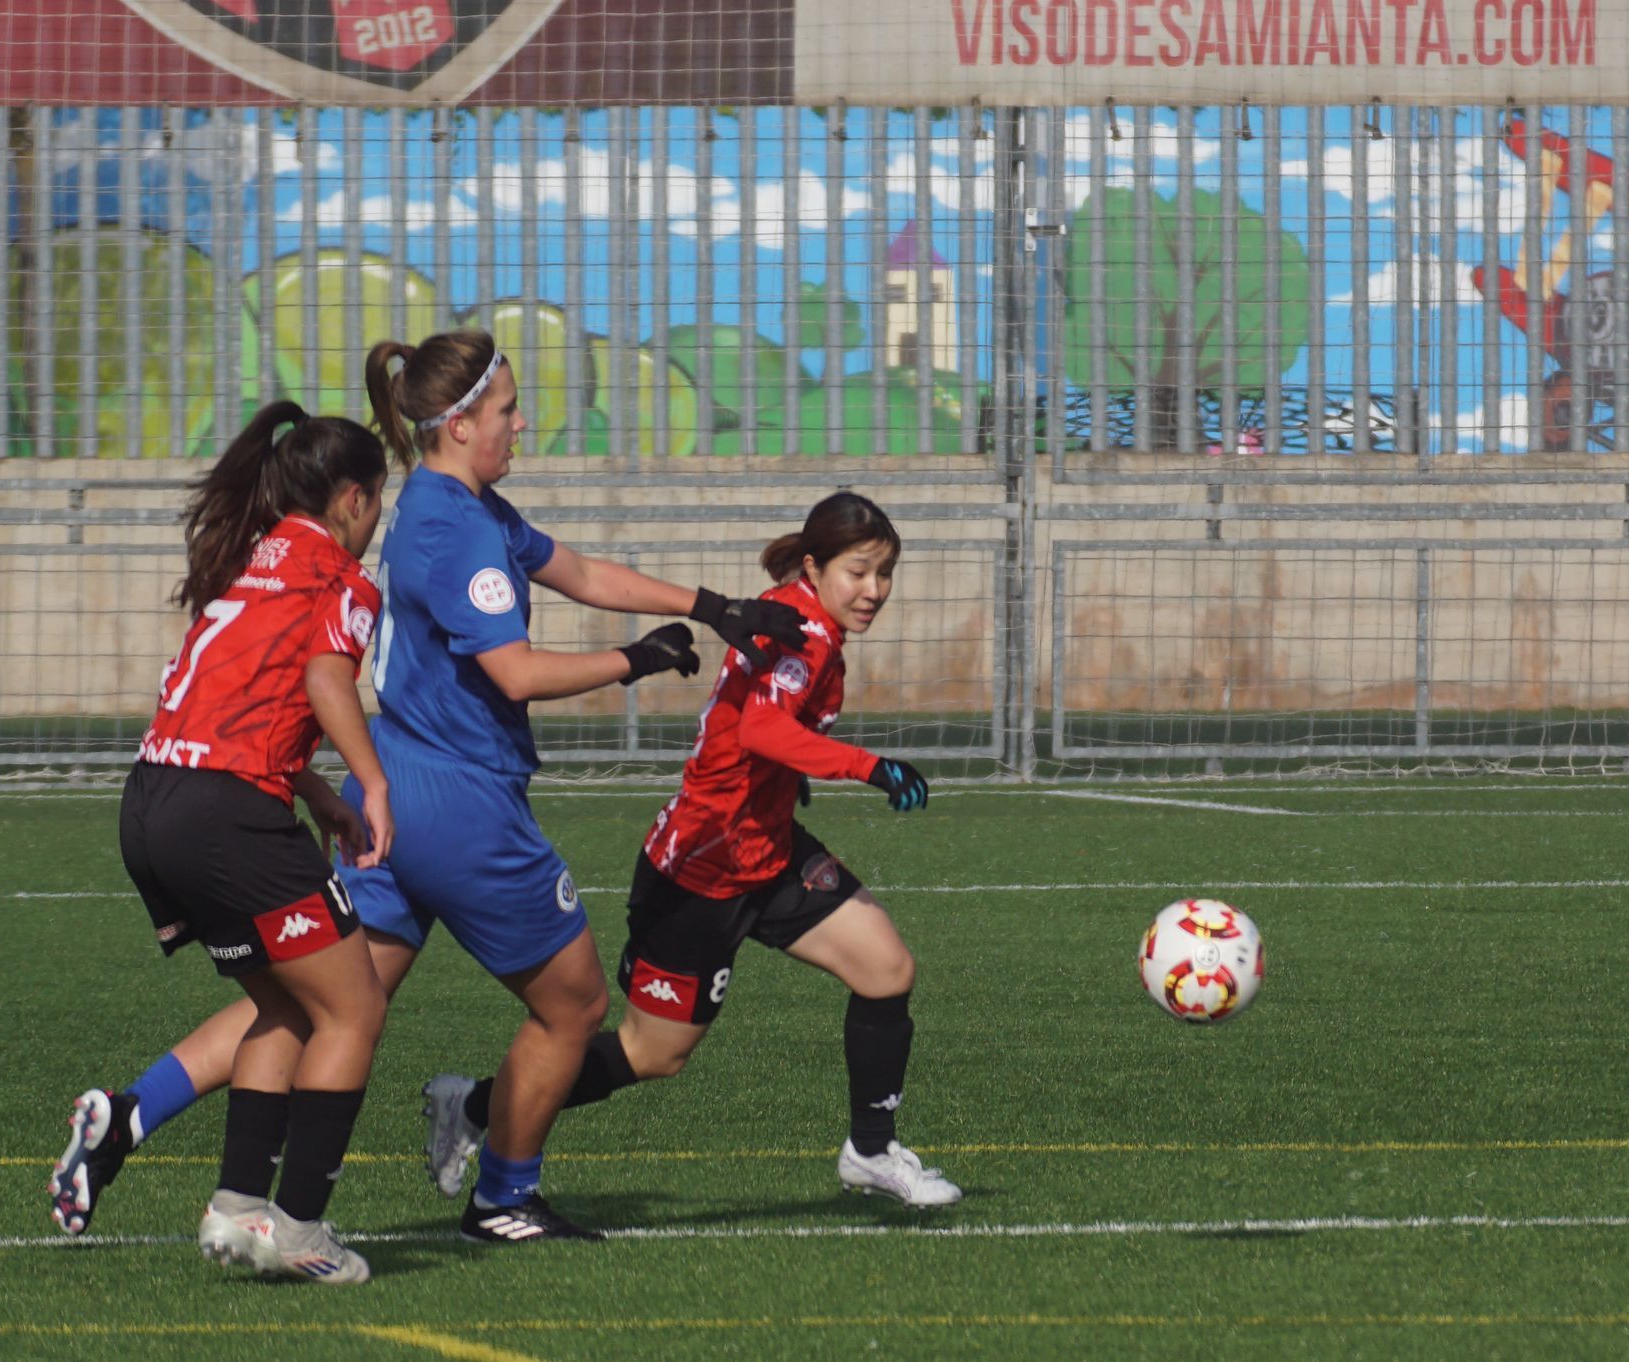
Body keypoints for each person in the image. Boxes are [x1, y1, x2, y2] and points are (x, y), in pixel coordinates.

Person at [50, 330, 807, 1246]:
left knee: (315, 1000)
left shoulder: (465, 509)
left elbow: (577, 569)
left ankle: (132, 1117)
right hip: (461, 805)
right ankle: (502, 1196)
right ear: (455, 425)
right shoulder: (451, 530)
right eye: (505, 411)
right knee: (574, 1006)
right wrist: (633, 660)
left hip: (395, 794)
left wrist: (708, 605)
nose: (520, 424)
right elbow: (515, 674)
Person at [420, 491, 962, 1211]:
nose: (874, 591)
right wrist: (868, 766)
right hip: (700, 871)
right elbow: (761, 732)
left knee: (887, 968)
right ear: (814, 566)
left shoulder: (798, 612)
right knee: (653, 1054)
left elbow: (756, 731)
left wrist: (782, 784)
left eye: (884, 574)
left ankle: (870, 1149)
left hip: (767, 853)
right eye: (858, 572)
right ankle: (475, 1107)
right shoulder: (805, 630)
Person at [78, 401, 392, 1285]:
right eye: (378, 505)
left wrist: (318, 793)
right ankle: (299, 1231)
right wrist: (370, 782)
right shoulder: (341, 579)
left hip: (154, 799)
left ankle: (237, 1208)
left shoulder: (251, 559)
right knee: (355, 1008)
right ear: (353, 502)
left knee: (286, 1005)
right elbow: (328, 679)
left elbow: (240, 704)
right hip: (225, 817)